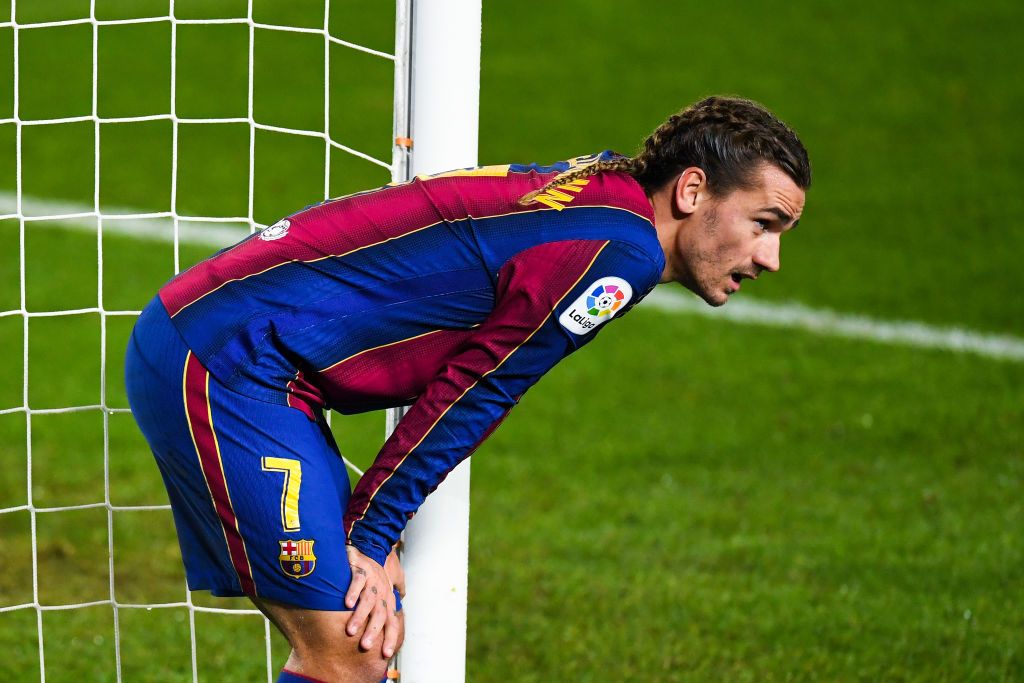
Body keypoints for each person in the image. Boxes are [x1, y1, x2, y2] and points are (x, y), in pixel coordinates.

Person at [125, 95, 810, 682]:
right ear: (692, 192)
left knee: (367, 642)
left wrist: (374, 524)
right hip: (228, 361)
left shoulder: (606, 202)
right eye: (764, 224)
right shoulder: (620, 253)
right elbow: (477, 386)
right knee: (351, 648)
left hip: (244, 352)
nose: (771, 257)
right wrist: (372, 526)